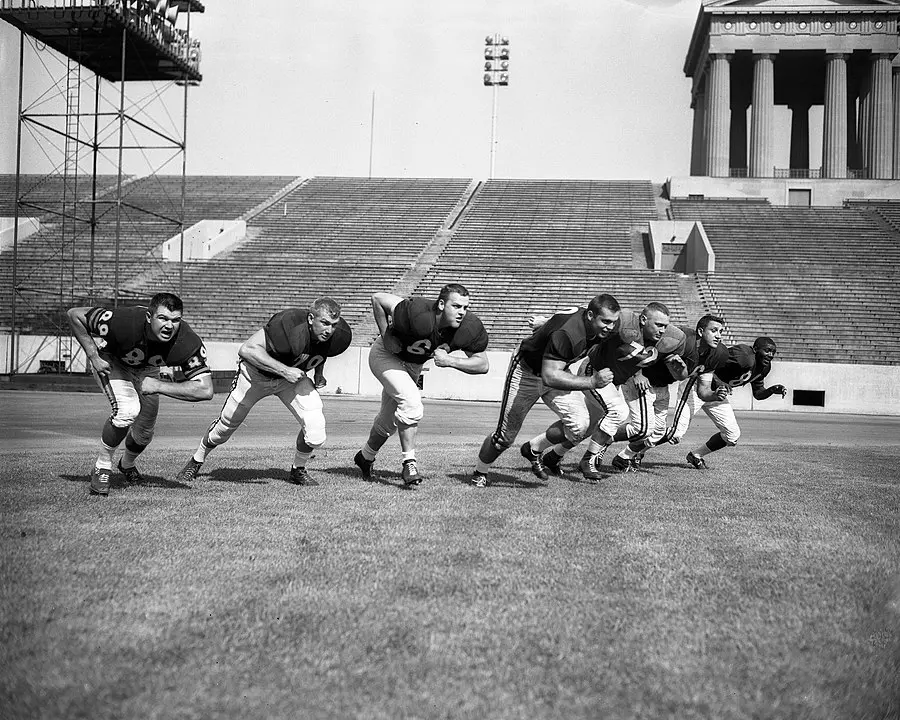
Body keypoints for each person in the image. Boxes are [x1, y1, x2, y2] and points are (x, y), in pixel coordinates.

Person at [175, 297, 352, 485]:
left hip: (289, 380)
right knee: (224, 428)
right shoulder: (288, 325)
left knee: (315, 430)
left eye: (333, 325)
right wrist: (285, 370)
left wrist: (318, 374)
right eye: (324, 323)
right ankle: (197, 459)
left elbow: (319, 352)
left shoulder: (334, 336)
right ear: (310, 319)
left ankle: (297, 469)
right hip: (255, 376)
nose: (329, 330)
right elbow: (247, 349)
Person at [67, 292, 213, 496]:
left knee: (144, 433)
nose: (169, 326)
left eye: (175, 320)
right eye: (162, 318)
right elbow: (75, 315)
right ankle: (102, 465)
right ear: (149, 317)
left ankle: (126, 464)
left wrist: (158, 385)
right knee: (127, 410)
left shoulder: (187, 341)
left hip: (148, 370)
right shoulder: (124, 322)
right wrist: (93, 355)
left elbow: (205, 390)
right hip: (113, 361)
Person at [471, 294, 620, 488]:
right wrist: (592, 381)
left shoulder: (597, 320)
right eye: (605, 321)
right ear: (590, 316)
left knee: (580, 425)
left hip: (558, 369)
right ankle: (480, 472)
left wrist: (545, 321)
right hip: (527, 372)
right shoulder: (568, 333)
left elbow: (570, 313)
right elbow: (550, 376)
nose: (610, 327)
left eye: (613, 322)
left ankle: (533, 449)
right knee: (505, 438)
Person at [354, 284, 489, 485]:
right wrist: (385, 336)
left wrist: (451, 361)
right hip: (386, 355)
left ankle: (365, 457)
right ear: (442, 304)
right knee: (411, 403)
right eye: (457, 306)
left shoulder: (469, 327)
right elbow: (378, 298)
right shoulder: (418, 312)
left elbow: (482, 364)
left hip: (413, 364)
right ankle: (409, 463)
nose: (462, 312)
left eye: (465, 307)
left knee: (388, 421)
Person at [541, 302, 686, 482]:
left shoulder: (671, 340)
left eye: (665, 325)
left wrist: (679, 368)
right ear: (643, 319)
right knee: (618, 411)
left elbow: (678, 372)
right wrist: (546, 322)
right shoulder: (625, 323)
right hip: (595, 371)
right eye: (658, 325)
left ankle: (553, 456)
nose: (663, 330)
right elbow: (591, 320)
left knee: (591, 426)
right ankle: (588, 460)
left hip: (613, 381)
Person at [610, 313, 728, 470]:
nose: (718, 336)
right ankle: (603, 440)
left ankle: (624, 457)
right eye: (714, 331)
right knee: (643, 428)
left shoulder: (717, 354)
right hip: (643, 381)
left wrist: (715, 395)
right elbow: (644, 345)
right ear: (700, 332)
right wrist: (638, 373)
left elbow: (703, 391)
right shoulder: (682, 338)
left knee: (657, 433)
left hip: (662, 385)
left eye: (721, 332)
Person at [684, 336, 787, 469]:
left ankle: (695, 455)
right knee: (677, 432)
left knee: (732, 435)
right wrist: (720, 382)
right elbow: (711, 364)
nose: (770, 355)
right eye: (767, 350)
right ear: (755, 349)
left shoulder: (764, 368)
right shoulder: (744, 356)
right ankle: (647, 447)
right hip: (699, 387)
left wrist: (772, 390)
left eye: (773, 352)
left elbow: (758, 393)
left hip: (717, 395)